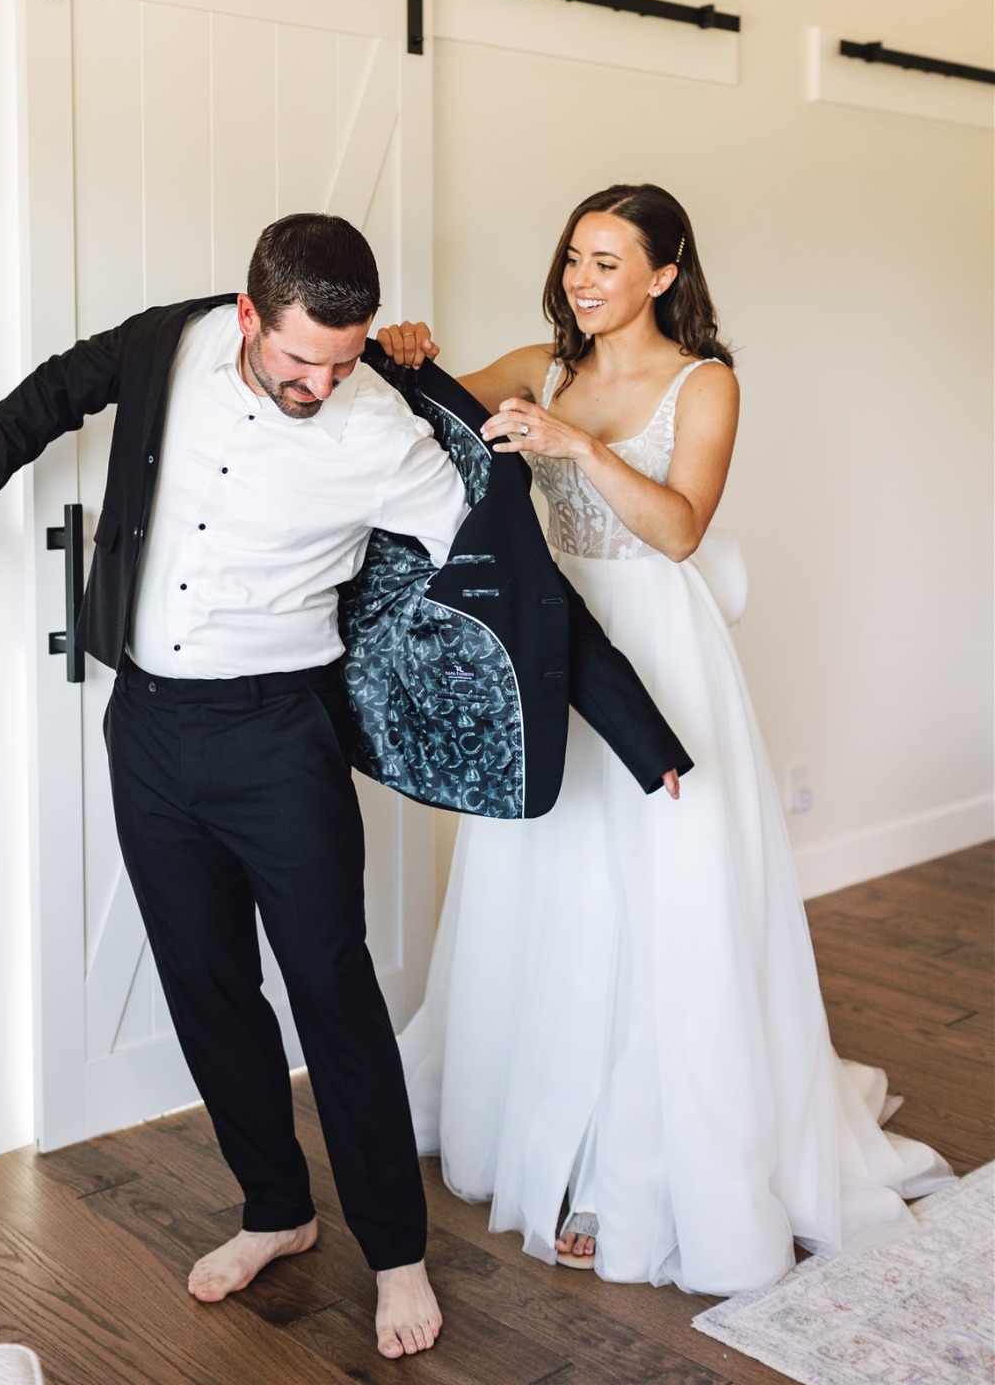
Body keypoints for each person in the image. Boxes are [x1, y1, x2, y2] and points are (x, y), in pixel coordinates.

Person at [0, 212, 689, 1357]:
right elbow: (47, 396)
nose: (320, 382)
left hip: (281, 737)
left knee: (333, 992)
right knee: (206, 984)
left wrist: (638, 731)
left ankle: (396, 1254)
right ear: (247, 316)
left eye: (343, 356)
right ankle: (275, 1210)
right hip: (151, 733)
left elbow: (522, 589)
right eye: (296, 359)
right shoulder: (165, 345)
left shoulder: (385, 431)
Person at [380, 184, 950, 1296]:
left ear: (663, 274)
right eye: (575, 259)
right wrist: (406, 354)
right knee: (550, 886)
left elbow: (680, 529)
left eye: (607, 262)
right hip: (552, 655)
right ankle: (536, 1136)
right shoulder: (540, 365)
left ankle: (628, 1168)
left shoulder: (707, 383)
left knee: (661, 901)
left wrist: (575, 449)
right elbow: (425, 406)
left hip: (655, 651)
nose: (584, 281)